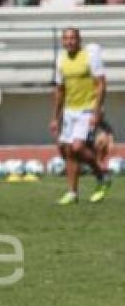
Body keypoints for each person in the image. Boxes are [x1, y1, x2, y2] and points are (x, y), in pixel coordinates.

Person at [49, 28, 112, 204]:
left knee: (77, 147)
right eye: (66, 39)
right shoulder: (61, 60)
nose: (69, 41)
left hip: (87, 109)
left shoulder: (89, 56)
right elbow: (60, 90)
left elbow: (101, 84)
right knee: (67, 151)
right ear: (62, 41)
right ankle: (72, 193)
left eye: (73, 38)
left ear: (79, 40)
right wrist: (55, 117)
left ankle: (102, 176)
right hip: (70, 110)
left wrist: (97, 111)